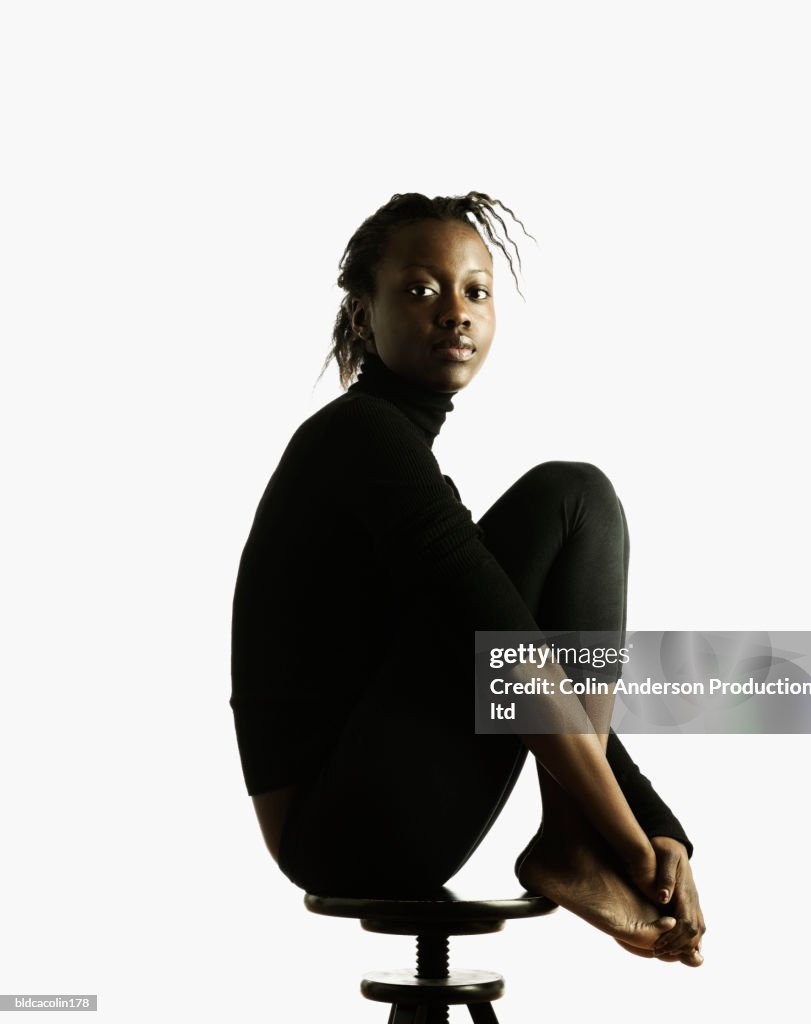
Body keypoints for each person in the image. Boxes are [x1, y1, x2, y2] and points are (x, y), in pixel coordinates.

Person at [230, 192, 705, 967]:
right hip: (339, 824)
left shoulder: (385, 445)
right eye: (421, 290)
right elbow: (508, 650)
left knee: (563, 519)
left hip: (372, 800)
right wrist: (632, 842)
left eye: (475, 290)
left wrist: (656, 825)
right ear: (362, 316)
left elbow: (519, 655)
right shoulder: (360, 440)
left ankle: (570, 837)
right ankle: (575, 843)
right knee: (571, 501)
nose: (455, 311)